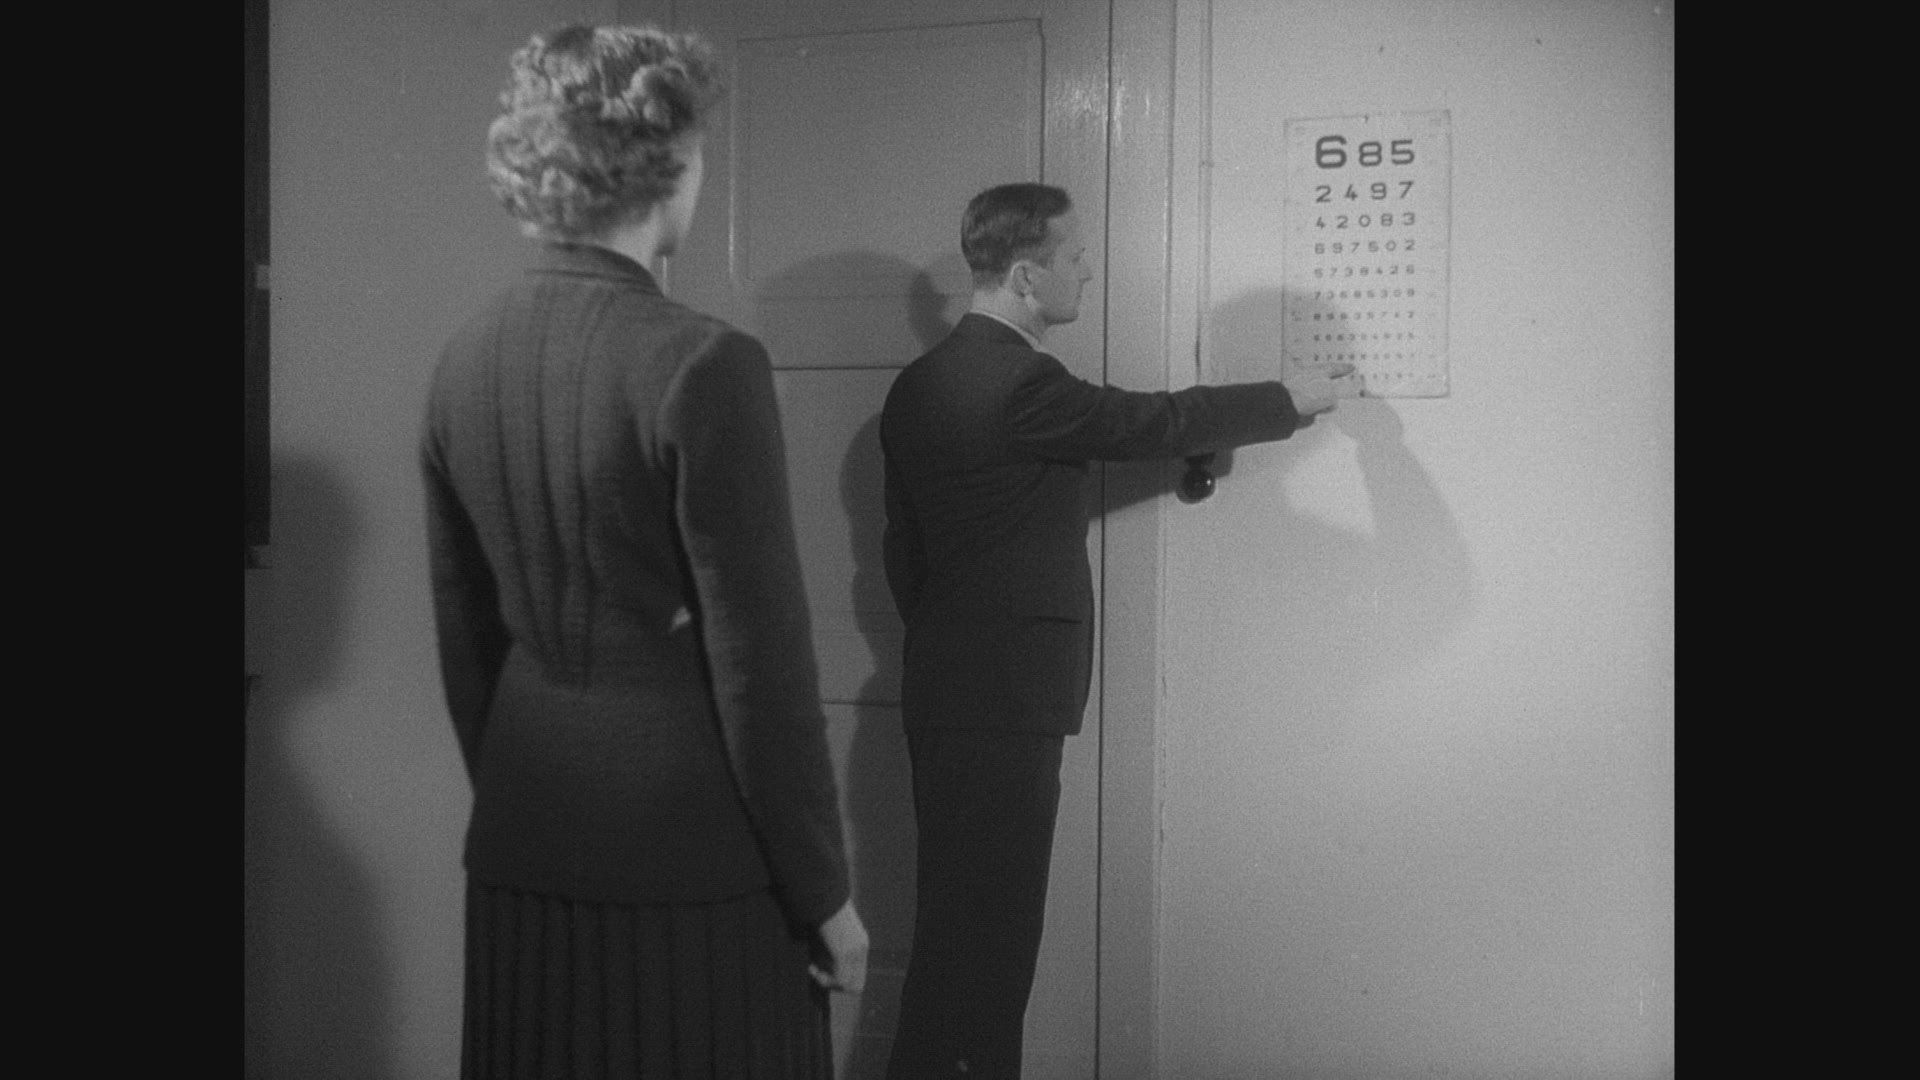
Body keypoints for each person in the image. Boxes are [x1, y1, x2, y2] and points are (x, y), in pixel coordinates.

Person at [420, 24, 867, 1078]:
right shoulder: (703, 362)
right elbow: (764, 671)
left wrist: (527, 801)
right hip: (692, 870)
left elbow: (466, 644)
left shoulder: (463, 360)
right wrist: (825, 897)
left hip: (524, 843)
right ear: (667, 164)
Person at [879, 182, 1354, 1078]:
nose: (1087, 271)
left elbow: (904, 555)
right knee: (987, 955)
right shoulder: (1020, 382)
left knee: (957, 940)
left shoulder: (917, 386)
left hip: (944, 688)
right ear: (1027, 276)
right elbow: (1149, 422)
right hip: (1007, 703)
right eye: (1073, 255)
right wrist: (1289, 399)